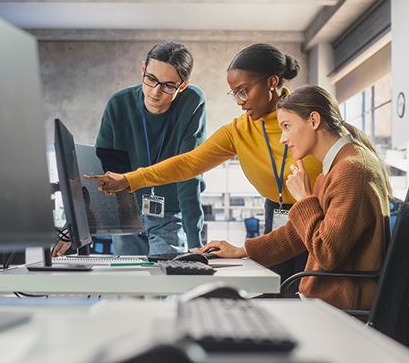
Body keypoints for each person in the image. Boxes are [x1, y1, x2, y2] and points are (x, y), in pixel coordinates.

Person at [87, 43, 322, 282]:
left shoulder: (311, 119)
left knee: (313, 288)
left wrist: (196, 241)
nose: (239, 101)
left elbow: (349, 158)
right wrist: (128, 180)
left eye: (243, 90)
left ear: (272, 82)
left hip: (319, 210)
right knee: (280, 289)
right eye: (235, 93)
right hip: (278, 212)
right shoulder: (238, 130)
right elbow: (189, 163)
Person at [198, 85, 392, 310]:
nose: (283, 139)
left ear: (313, 120)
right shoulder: (341, 165)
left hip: (335, 303)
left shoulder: (350, 171)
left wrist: (304, 199)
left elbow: (327, 253)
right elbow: (298, 235)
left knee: (228, 311)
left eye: (287, 127)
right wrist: (242, 250)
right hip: (327, 298)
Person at [58, 42, 206, 256]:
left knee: (163, 285)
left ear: (182, 86)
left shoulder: (192, 102)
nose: (155, 92)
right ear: (143, 69)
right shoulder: (119, 104)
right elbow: (99, 170)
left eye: (168, 86)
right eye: (151, 79)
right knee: (129, 286)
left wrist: (195, 243)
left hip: (169, 214)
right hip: (126, 214)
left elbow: (190, 171)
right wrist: (70, 228)